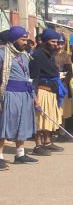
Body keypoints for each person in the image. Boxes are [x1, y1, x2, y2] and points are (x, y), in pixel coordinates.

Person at [0, 26, 40, 168]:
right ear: (13, 39)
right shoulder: (2, 54)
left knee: (23, 123)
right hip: (10, 94)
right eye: (22, 39)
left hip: (25, 94)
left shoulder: (24, 56)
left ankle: (20, 154)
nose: (25, 42)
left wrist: (34, 98)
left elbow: (27, 78)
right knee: (6, 124)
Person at [29, 29, 67, 155]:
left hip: (52, 90)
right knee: (39, 120)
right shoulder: (37, 55)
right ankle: (38, 145)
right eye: (53, 41)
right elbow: (33, 78)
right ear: (45, 42)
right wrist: (35, 98)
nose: (56, 44)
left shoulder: (50, 55)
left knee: (48, 119)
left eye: (57, 42)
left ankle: (47, 141)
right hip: (41, 91)